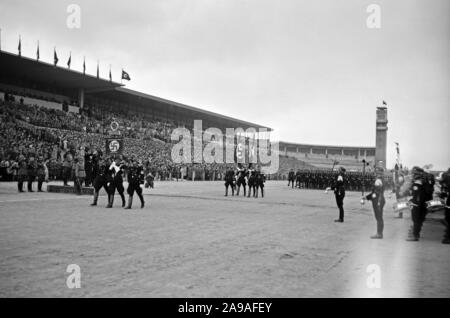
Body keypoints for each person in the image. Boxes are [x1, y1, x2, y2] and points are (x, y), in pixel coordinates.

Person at [404, 167, 427, 241]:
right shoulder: (422, 182)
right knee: (418, 220)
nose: (412, 175)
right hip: (421, 205)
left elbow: (417, 197)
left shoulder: (416, 184)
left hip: (417, 205)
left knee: (416, 219)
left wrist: (414, 203)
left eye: (413, 173)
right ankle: (416, 234)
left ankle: (415, 236)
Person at [364, 167, 386, 239]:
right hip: (380, 199)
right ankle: (380, 233)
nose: (375, 173)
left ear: (379, 172)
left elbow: (376, 193)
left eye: (376, 171)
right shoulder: (382, 179)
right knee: (379, 217)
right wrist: (367, 197)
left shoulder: (378, 180)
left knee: (379, 217)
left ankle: (379, 234)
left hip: (378, 200)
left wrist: (367, 197)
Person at [437, 169, 450, 244]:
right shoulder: (447, 178)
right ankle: (446, 238)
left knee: (448, 217)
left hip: (448, 200)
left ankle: (446, 236)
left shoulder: (445, 178)